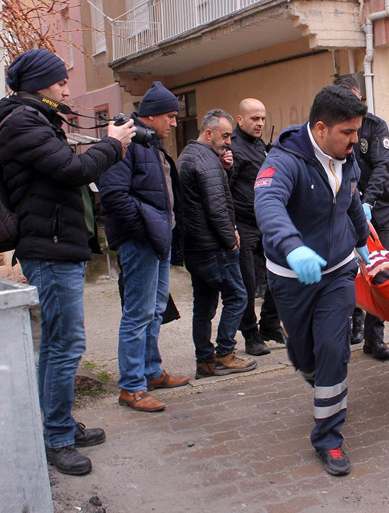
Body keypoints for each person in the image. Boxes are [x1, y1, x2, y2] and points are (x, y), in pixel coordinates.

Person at [0, 49, 135, 475]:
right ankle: (55, 438)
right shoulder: (22, 122)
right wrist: (113, 144)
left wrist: (105, 146)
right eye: (60, 83)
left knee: (58, 343)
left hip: (55, 244)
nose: (68, 89)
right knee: (64, 344)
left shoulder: (32, 119)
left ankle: (60, 424)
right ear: (39, 85)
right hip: (48, 248)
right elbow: (71, 169)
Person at [254, 85, 370, 476]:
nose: (355, 141)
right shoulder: (284, 161)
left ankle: (329, 438)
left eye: (358, 132)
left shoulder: (347, 158)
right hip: (292, 275)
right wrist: (292, 247)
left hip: (338, 271)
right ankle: (312, 370)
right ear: (320, 129)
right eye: (348, 132)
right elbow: (267, 204)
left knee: (334, 350)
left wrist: (363, 241)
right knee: (308, 358)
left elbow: (351, 200)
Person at [98, 81, 191, 413]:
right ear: (151, 116)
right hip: (141, 243)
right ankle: (131, 387)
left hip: (157, 241)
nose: (175, 123)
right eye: (171, 116)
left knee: (154, 311)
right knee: (137, 314)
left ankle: (150, 372)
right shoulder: (127, 142)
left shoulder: (150, 144)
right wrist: (146, 229)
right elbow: (113, 195)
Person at [178, 109, 257, 379]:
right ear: (208, 133)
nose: (228, 142)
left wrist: (225, 169)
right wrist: (231, 241)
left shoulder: (189, 155)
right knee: (237, 296)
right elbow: (216, 208)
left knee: (204, 304)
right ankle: (224, 354)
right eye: (225, 136)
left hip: (196, 247)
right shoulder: (205, 160)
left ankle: (205, 361)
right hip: (213, 247)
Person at [332, 75, 389, 360]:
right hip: (346, 214)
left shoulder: (374, 126)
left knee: (380, 274)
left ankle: (375, 338)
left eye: (353, 97)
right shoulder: (333, 130)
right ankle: (352, 325)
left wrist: (368, 202)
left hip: (380, 211)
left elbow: (383, 166)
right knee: (349, 274)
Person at [229, 98, 283, 356]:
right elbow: (226, 189)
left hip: (266, 224)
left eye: (262, 118)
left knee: (279, 274)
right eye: (254, 118)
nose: (260, 123)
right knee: (248, 285)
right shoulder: (233, 148)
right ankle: (251, 336)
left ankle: (270, 324)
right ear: (240, 120)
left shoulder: (259, 145)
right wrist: (231, 228)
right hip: (244, 226)